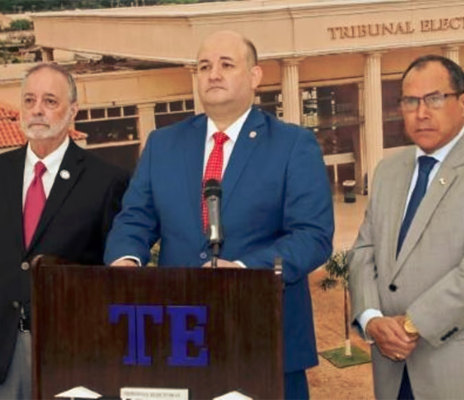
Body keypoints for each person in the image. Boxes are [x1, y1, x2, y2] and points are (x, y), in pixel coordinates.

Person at [104, 30, 334, 399]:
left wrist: (243, 272)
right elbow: (134, 219)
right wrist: (125, 264)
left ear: (255, 77)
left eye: (226, 65)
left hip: (265, 338)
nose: (213, 74)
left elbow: (313, 236)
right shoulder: (162, 144)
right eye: (204, 66)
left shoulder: (294, 145)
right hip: (179, 339)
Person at [349, 54, 464, 399]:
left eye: (435, 99)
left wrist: (409, 325)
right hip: (393, 370)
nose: (421, 112)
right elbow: (363, 251)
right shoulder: (388, 171)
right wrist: (372, 317)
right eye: (410, 101)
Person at [0, 63, 129, 399]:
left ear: (72, 111)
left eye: (49, 101)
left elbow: (111, 276)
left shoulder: (107, 181)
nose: (37, 110)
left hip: (74, 351)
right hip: (0, 348)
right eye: (29, 100)